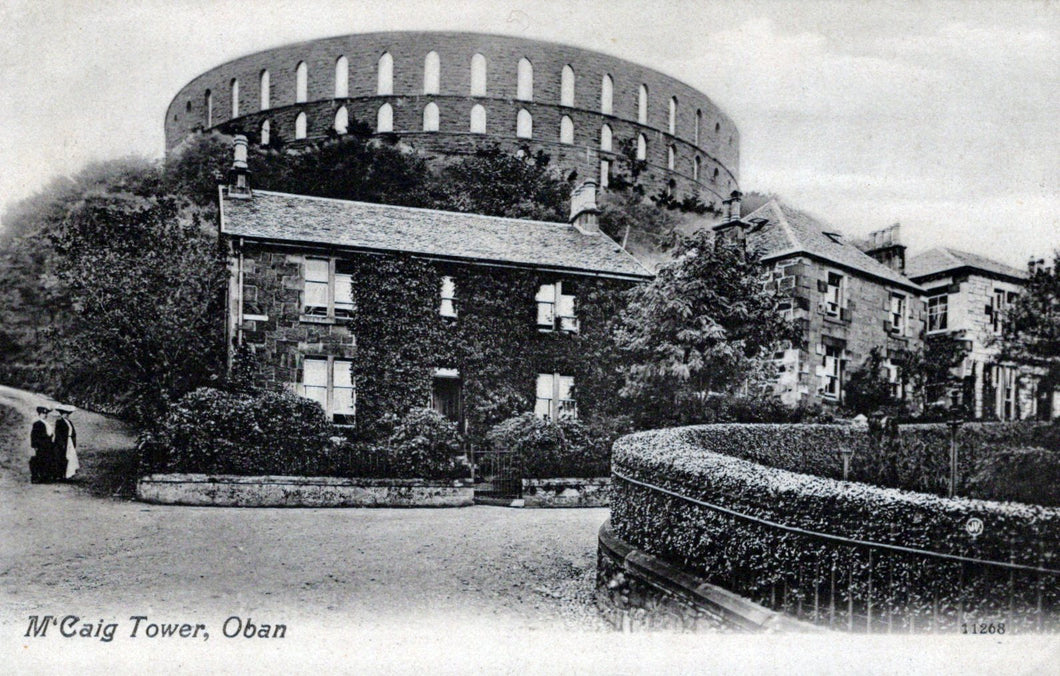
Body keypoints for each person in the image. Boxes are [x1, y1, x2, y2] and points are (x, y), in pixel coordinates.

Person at [53, 405, 79, 481]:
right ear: (61, 414)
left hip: (69, 441)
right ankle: (60, 475)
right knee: (61, 457)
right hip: (62, 443)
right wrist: (61, 443)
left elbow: (73, 432)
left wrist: (73, 441)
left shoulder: (69, 422)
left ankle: (67, 474)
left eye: (67, 413)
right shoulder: (59, 422)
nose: (66, 415)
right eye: (65, 413)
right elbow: (58, 434)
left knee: (70, 457)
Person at [29, 406, 52, 483]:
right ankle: (36, 477)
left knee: (46, 460)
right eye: (43, 414)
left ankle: (44, 476)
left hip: (47, 444)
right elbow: (33, 435)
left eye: (46, 414)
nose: (45, 415)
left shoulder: (46, 423)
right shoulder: (37, 423)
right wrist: (34, 445)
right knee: (39, 460)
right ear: (39, 414)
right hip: (41, 445)